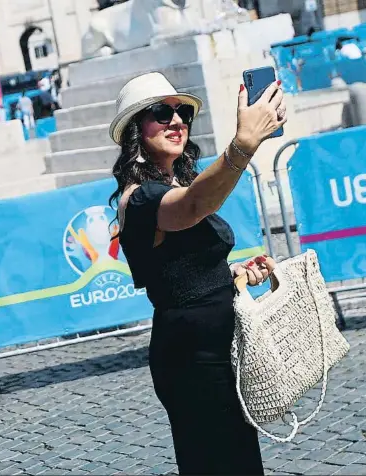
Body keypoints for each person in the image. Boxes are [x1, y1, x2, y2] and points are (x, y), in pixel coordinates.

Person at [108, 72, 287, 475]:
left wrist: (233, 274)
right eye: (160, 113)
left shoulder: (173, 182)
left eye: (182, 111)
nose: (176, 122)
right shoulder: (141, 198)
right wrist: (244, 144)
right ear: (135, 130)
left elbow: (183, 266)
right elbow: (192, 206)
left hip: (215, 348)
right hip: (192, 358)